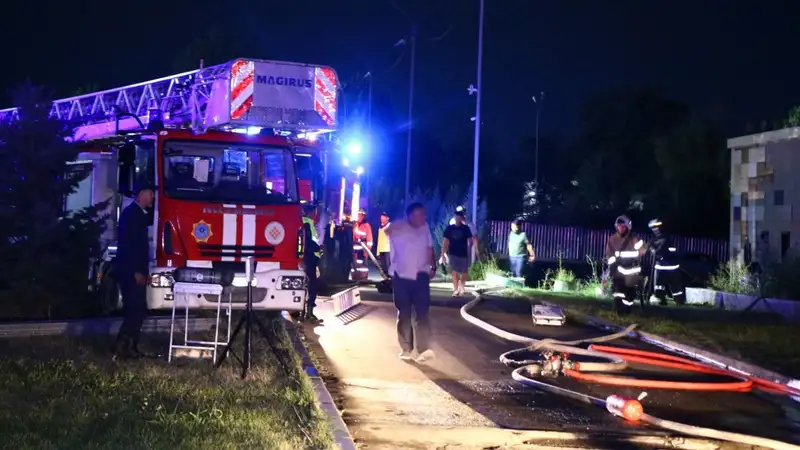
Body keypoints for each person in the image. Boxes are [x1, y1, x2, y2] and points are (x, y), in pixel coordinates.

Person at [384, 202, 437, 363]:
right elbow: (387, 231)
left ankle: (423, 349)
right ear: (410, 215)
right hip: (401, 276)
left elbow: (429, 248)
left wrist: (433, 266)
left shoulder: (425, 228)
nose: (423, 217)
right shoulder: (398, 227)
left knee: (422, 313)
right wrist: (404, 225)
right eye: (419, 214)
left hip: (421, 275)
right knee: (404, 313)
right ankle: (406, 348)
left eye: (423, 214)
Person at [113, 186, 155, 359]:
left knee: (138, 309)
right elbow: (130, 246)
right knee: (135, 310)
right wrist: (136, 271)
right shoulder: (133, 215)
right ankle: (123, 347)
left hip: (135, 270)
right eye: (150, 195)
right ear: (141, 196)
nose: (152, 199)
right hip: (131, 270)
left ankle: (130, 346)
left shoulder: (136, 214)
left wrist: (145, 271)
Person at [604, 215, 645, 315]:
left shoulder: (634, 239)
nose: (621, 228)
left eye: (623, 226)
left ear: (628, 227)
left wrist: (643, 247)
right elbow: (609, 255)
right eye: (619, 226)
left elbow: (642, 250)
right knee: (618, 291)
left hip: (632, 271)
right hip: (619, 270)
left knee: (629, 294)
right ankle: (618, 309)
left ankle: (626, 310)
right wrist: (612, 267)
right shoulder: (613, 240)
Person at [647, 219, 685, 306]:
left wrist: (653, 249)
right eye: (654, 227)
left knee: (676, 290)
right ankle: (661, 301)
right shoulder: (653, 240)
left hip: (671, 268)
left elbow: (660, 250)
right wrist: (651, 248)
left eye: (657, 227)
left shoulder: (667, 238)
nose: (656, 229)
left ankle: (679, 303)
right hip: (661, 268)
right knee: (659, 288)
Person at [442, 210, 474, 296]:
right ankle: (456, 289)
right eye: (456, 216)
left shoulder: (466, 228)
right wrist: (443, 253)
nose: (458, 218)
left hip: (463, 253)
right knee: (454, 271)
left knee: (464, 271)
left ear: (462, 218)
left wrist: (469, 249)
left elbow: (470, 240)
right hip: (453, 253)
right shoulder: (449, 228)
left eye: (459, 217)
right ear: (454, 217)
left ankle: (462, 287)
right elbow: (445, 241)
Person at [301, 204, 323, 323]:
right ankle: (309, 312)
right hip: (310, 259)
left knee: (304, 284)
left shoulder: (303, 222)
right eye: (315, 212)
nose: (316, 214)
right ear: (310, 212)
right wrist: (318, 248)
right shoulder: (307, 223)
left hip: (305, 258)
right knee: (312, 285)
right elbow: (309, 242)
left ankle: (302, 311)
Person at [352, 209, 373, 280]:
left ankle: (363, 278)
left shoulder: (366, 226)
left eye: (360, 215)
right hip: (355, 249)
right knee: (355, 264)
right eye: (358, 215)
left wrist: (367, 250)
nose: (359, 217)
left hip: (363, 248)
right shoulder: (355, 225)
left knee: (363, 265)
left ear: (363, 217)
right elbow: (353, 236)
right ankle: (355, 277)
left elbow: (369, 239)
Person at [376, 212, 392, 276]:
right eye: (381, 217)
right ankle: (386, 278)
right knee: (383, 267)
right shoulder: (380, 227)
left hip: (388, 250)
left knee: (388, 266)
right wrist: (378, 252)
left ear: (387, 218)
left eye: (383, 217)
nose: (381, 218)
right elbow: (379, 240)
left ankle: (391, 279)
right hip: (381, 249)